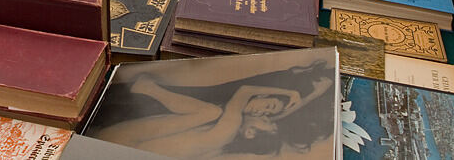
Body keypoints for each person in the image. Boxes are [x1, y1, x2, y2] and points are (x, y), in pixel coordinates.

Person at [87, 60, 336, 158]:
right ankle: (149, 89)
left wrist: (290, 92)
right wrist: (312, 93)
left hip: (118, 143)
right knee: (211, 112)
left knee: (211, 112)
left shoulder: (224, 130)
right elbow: (282, 115)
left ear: (250, 134)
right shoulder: (224, 140)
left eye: (266, 120)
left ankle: (149, 89)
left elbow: (244, 92)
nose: (269, 116)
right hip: (119, 146)